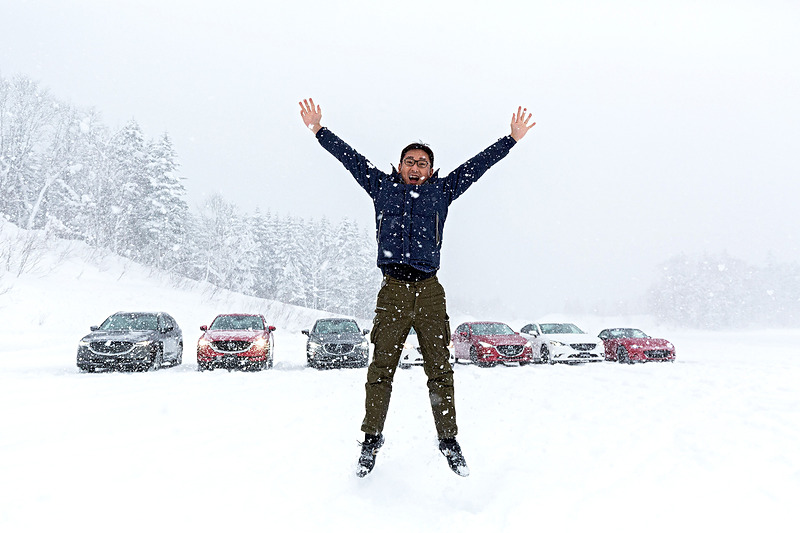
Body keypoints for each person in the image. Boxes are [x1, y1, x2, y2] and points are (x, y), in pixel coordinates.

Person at [299, 98, 535, 477]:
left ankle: (448, 440)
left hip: (428, 291)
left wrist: (510, 139)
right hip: (392, 290)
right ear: (399, 165)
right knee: (381, 369)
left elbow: (478, 166)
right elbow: (351, 159)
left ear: (430, 170)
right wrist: (320, 131)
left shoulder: (442, 191)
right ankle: (371, 440)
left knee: (440, 369)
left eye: (422, 162)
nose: (415, 167)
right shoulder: (381, 187)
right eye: (409, 161)